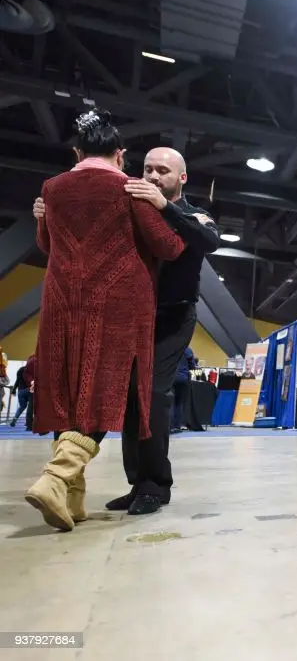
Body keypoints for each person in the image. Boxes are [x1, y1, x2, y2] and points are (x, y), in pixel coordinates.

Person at [36, 143, 218, 516]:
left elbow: (209, 242)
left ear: (182, 177)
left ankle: (154, 487)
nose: (153, 176)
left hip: (170, 319)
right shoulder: (130, 203)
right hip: (127, 317)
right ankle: (136, 483)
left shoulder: (194, 214)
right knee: (123, 396)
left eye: (163, 171)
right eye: (148, 168)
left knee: (151, 394)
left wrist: (165, 207)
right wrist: (48, 215)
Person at [172, 346, 197, 432]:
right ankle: (176, 426)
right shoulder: (187, 350)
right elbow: (192, 366)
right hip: (182, 378)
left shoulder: (171, 346)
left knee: (169, 402)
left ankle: (168, 425)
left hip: (170, 378)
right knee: (178, 403)